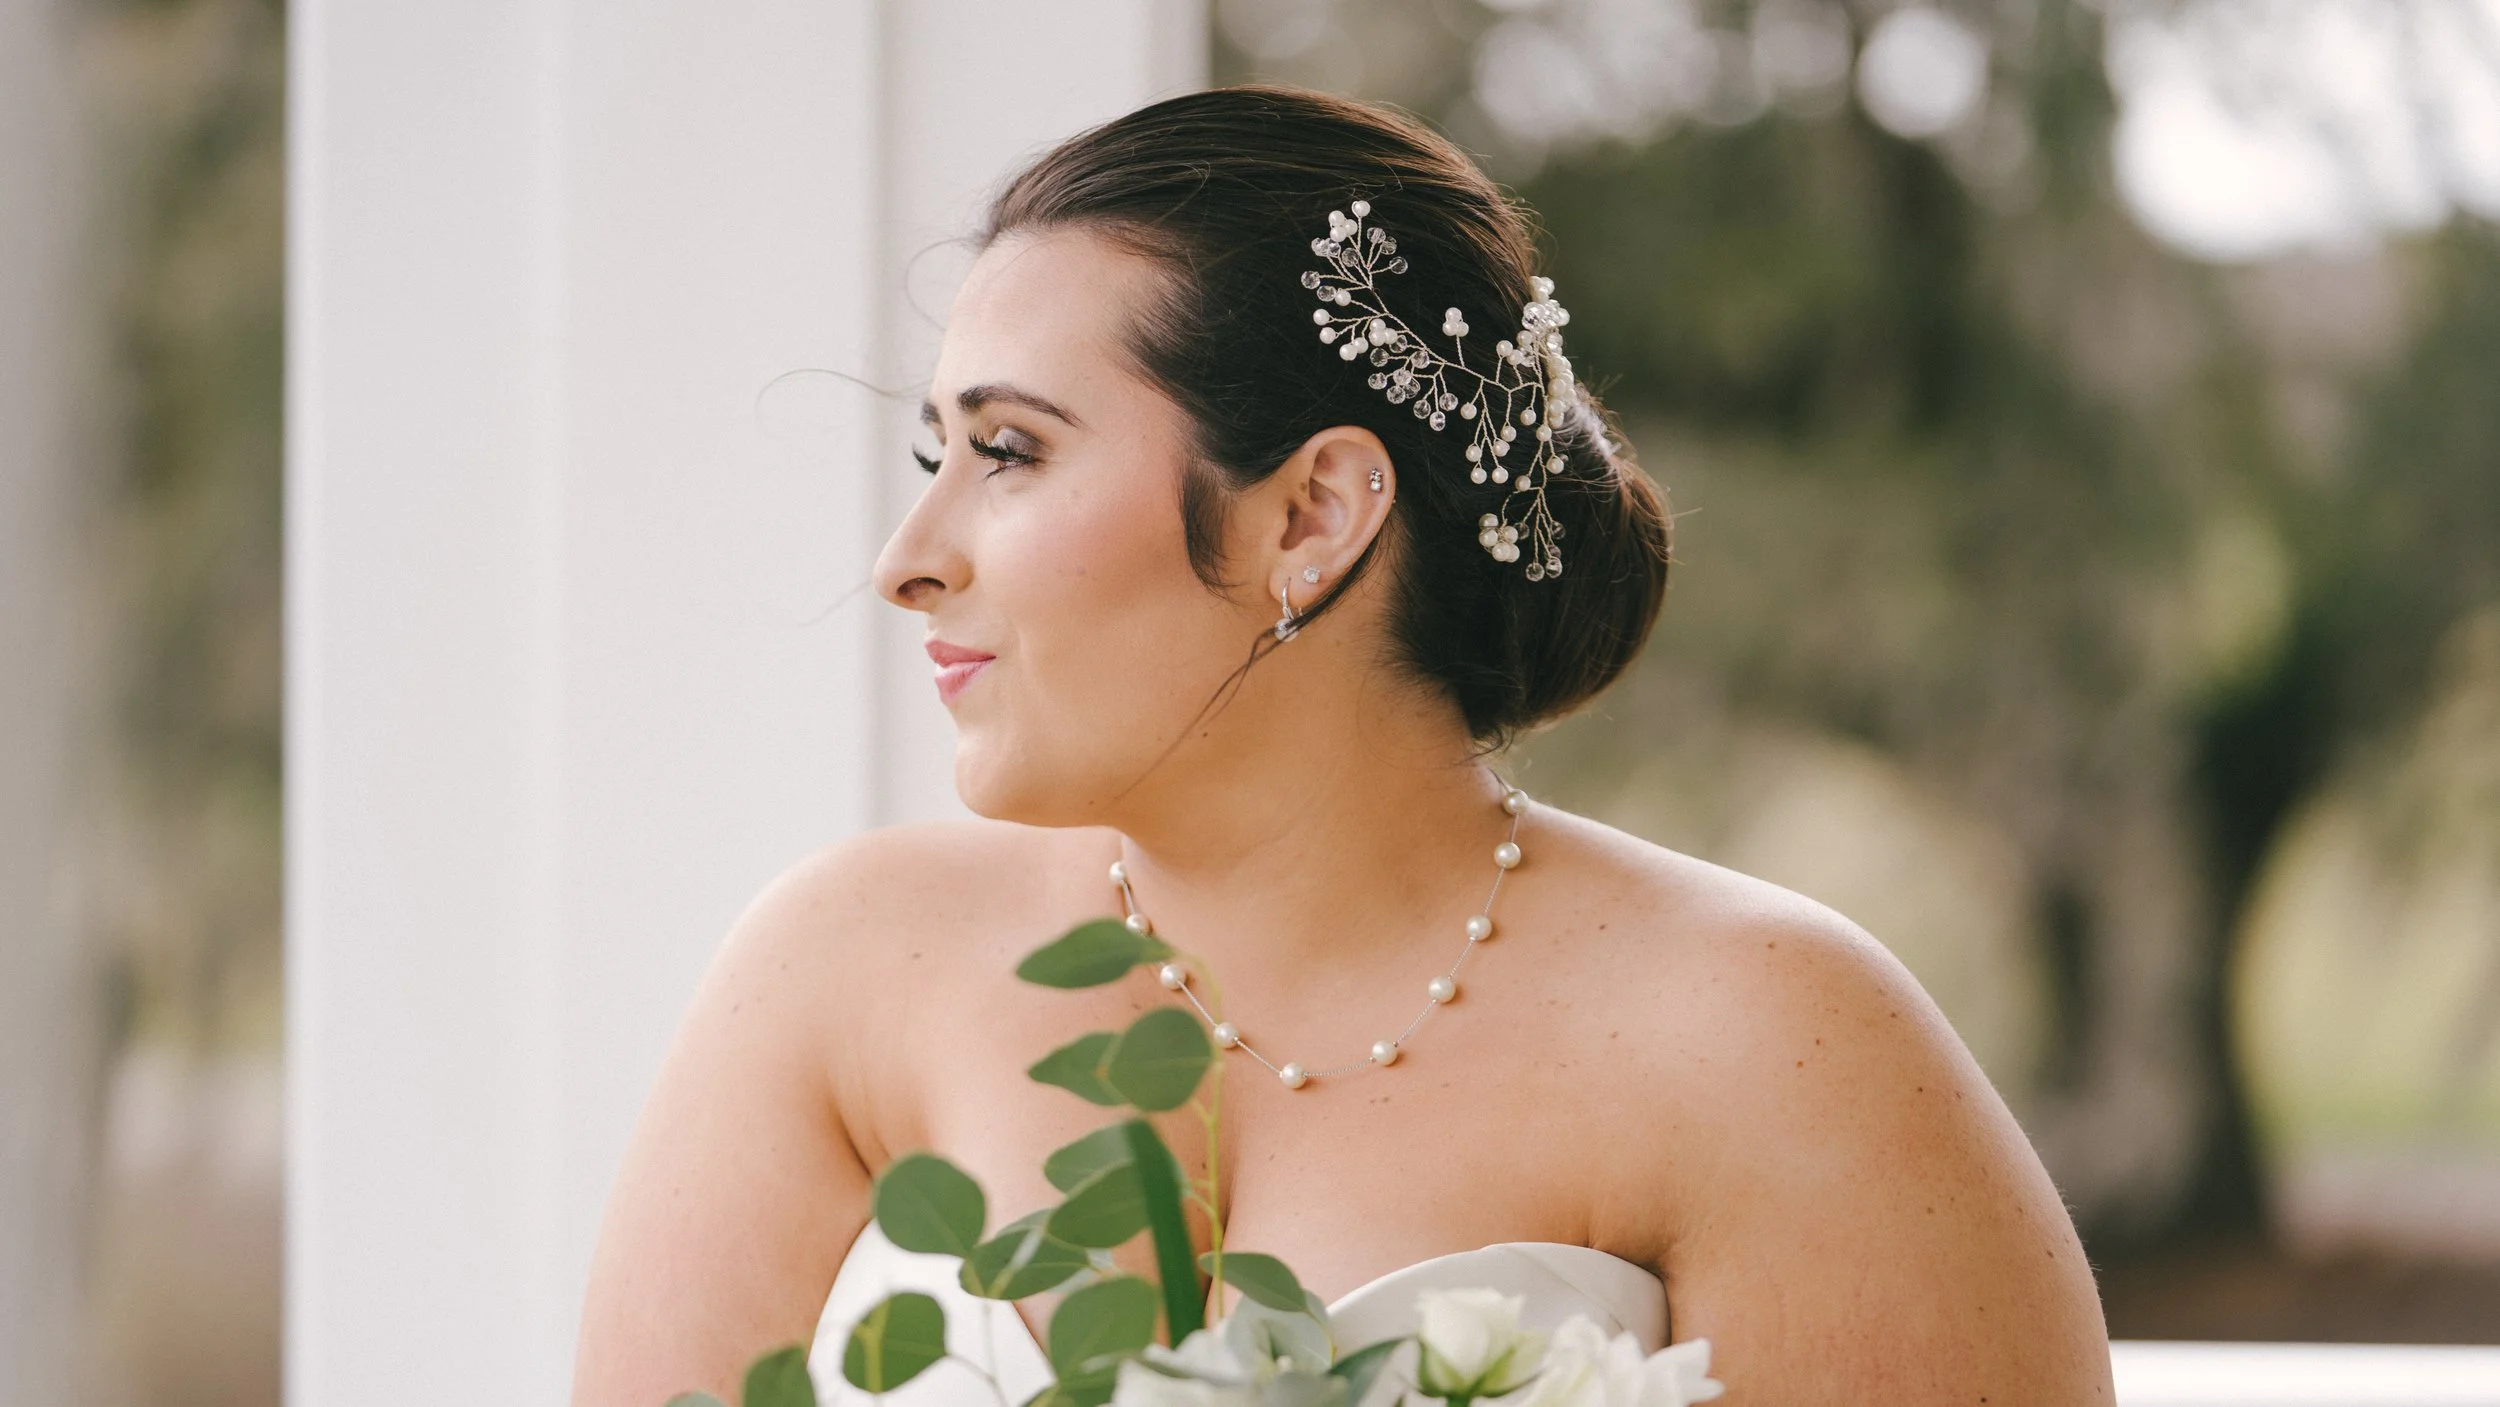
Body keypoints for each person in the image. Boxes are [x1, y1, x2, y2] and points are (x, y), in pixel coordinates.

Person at [571, 85, 2113, 1406]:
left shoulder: (1776, 1042)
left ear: (1311, 512)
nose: (908, 553)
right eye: (937, 453)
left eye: (1010, 452)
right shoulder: (840, 971)